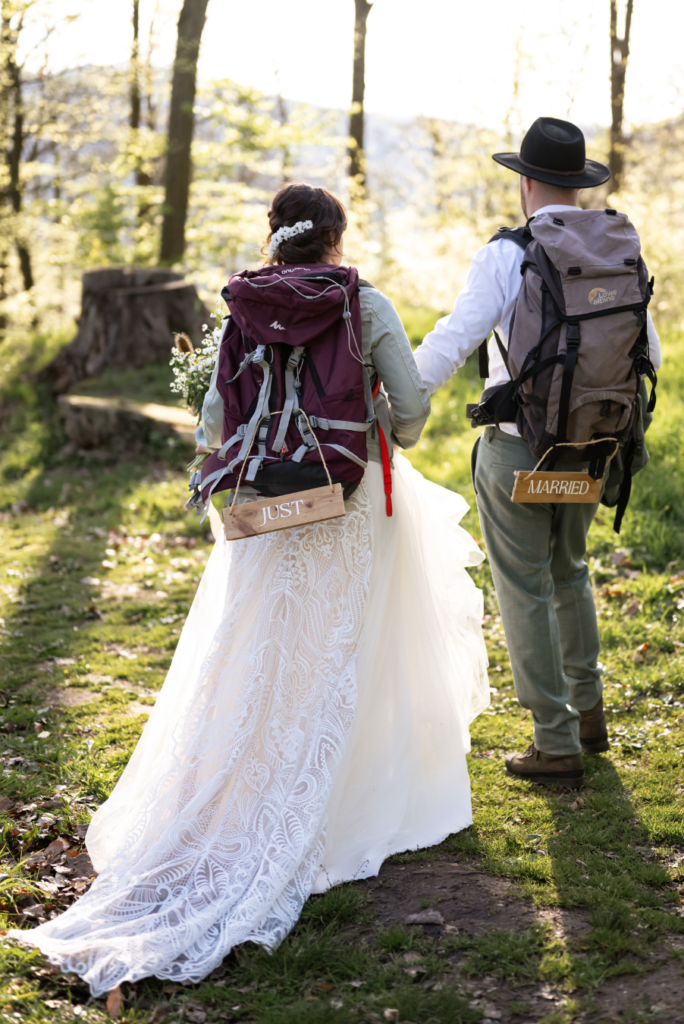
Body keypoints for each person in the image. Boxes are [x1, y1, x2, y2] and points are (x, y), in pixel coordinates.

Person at [12, 182, 489, 996]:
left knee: (265, 644)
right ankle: (342, 792)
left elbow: (212, 424)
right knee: (348, 645)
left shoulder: (243, 306)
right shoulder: (361, 302)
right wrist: (385, 427)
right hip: (346, 500)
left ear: (275, 236)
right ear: (336, 238)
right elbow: (408, 409)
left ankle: (238, 779)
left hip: (267, 504)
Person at [414, 117, 661, 790]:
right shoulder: (618, 247)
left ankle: (553, 743)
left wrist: (396, 396)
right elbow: (650, 353)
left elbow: (454, 337)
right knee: (570, 571)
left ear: (524, 181)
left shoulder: (508, 253)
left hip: (519, 449)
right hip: (594, 446)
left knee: (524, 587)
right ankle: (587, 714)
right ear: (577, 185)